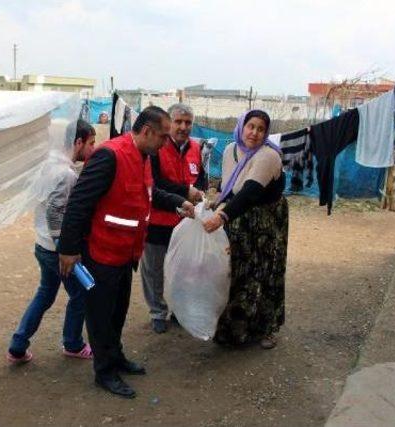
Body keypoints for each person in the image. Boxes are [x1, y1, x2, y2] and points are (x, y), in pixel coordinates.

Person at [58, 106, 195, 399]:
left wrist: (176, 202)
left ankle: (115, 356)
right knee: (100, 315)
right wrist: (69, 250)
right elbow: (79, 204)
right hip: (99, 254)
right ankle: (104, 371)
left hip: (125, 254)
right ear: (147, 132)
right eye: (162, 136)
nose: (165, 143)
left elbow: (148, 194)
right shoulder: (110, 156)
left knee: (117, 311)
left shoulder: (145, 157)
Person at [7, 119, 96, 364]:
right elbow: (55, 212)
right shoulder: (66, 174)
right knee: (80, 295)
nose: (92, 148)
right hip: (57, 250)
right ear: (77, 142)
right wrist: (64, 249)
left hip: (42, 244)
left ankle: (18, 344)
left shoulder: (48, 165)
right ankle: (73, 343)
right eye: (90, 142)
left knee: (45, 294)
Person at [203, 109, 288, 350]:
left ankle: (268, 327)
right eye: (251, 126)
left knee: (265, 271)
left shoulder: (268, 156)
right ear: (242, 126)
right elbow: (230, 186)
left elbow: (250, 191)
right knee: (237, 271)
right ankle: (235, 329)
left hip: (265, 220)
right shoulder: (231, 150)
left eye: (261, 129)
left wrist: (221, 216)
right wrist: (216, 203)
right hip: (237, 216)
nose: (254, 133)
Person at [141, 103, 207, 333]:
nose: (183, 127)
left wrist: (198, 191)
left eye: (188, 122)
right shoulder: (156, 147)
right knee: (153, 269)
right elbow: (154, 185)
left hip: (186, 223)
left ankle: (180, 309)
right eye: (178, 121)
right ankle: (158, 311)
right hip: (158, 220)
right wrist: (185, 192)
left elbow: (201, 181)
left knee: (185, 268)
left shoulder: (196, 149)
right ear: (169, 123)